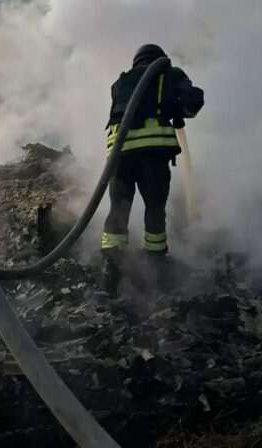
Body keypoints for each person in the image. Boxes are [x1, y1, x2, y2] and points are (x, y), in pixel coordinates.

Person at [98, 44, 204, 298]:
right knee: (154, 210)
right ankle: (156, 266)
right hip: (151, 155)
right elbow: (192, 103)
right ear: (159, 59)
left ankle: (111, 270)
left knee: (118, 209)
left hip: (120, 156)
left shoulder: (119, 83)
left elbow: (135, 108)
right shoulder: (169, 73)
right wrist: (179, 109)